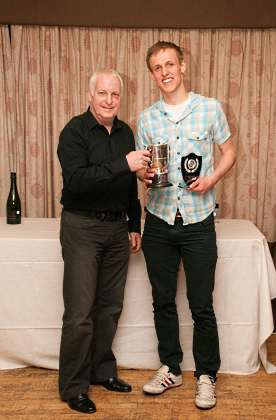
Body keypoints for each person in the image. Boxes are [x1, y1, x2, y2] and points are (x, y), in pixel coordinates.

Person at [136, 41, 236, 410]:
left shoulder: (209, 108)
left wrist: (211, 180)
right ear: (152, 74)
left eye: (169, 64)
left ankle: (206, 375)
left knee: (201, 305)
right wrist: (146, 176)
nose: (165, 72)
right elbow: (144, 170)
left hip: (198, 221)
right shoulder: (146, 119)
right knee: (162, 301)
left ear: (183, 66)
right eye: (157, 67)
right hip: (159, 220)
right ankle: (171, 368)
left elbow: (229, 152)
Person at [57, 69, 150, 414]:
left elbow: (129, 185)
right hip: (81, 227)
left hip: (116, 231)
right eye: (103, 93)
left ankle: (102, 371)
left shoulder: (126, 132)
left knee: (110, 308)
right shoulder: (74, 132)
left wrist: (133, 222)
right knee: (80, 314)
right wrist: (122, 164)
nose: (109, 100)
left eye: (115, 95)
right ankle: (73, 387)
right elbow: (77, 182)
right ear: (90, 95)